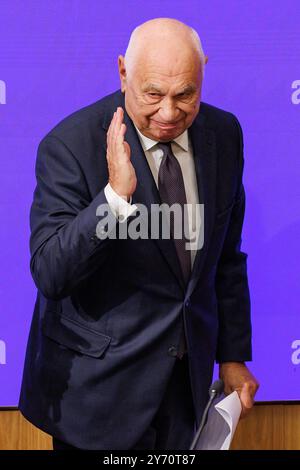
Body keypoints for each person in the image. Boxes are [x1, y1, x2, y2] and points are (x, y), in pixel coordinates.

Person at [19, 18, 259, 450]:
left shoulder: (224, 135)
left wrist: (232, 356)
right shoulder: (70, 146)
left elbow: (226, 257)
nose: (169, 114)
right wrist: (113, 199)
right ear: (123, 72)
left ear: (203, 71)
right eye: (153, 94)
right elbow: (51, 272)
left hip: (186, 390)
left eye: (186, 94)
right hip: (97, 395)